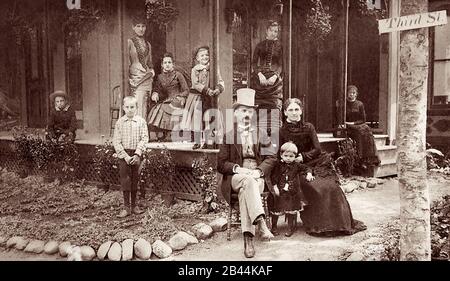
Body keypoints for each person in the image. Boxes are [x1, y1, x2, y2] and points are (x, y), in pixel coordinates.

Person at [279, 98, 366, 236]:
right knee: (314, 186)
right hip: (296, 167)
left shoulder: (309, 127)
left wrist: (304, 156)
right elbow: (280, 153)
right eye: (290, 110)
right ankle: (320, 226)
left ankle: (339, 224)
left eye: (297, 109)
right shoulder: (282, 131)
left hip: (314, 162)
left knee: (330, 186)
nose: (294, 113)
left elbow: (317, 149)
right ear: (285, 112)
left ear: (301, 111)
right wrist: (293, 160)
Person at [217, 88, 276, 259]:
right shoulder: (228, 135)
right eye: (243, 111)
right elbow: (220, 164)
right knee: (245, 182)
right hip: (237, 175)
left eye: (250, 111)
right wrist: (238, 169)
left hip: (256, 176)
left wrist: (259, 171)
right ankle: (261, 223)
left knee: (246, 189)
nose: (247, 114)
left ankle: (248, 239)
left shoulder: (261, 133)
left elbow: (271, 157)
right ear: (235, 113)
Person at [180, 46, 224, 148]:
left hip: (210, 98)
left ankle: (207, 141)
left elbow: (220, 80)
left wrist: (218, 88)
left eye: (207, 55)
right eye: (202, 55)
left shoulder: (213, 69)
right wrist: (207, 90)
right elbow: (195, 84)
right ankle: (197, 141)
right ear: (197, 58)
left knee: (209, 119)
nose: (205, 57)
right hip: (198, 97)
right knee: (197, 120)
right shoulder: (195, 69)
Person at [113, 96, 149, 218]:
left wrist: (137, 153)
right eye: (127, 107)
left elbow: (144, 138)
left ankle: (134, 206)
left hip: (136, 154)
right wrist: (125, 156)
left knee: (134, 179)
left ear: (137, 108)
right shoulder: (120, 123)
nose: (129, 110)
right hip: (124, 155)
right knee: (125, 180)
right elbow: (116, 141)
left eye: (132, 107)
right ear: (123, 108)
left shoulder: (141, 122)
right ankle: (126, 207)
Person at [269, 141, 312, 237]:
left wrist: (309, 173)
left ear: (295, 156)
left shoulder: (296, 165)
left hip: (291, 191)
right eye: (286, 155)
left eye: (291, 156)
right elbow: (274, 177)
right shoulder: (278, 165)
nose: (288, 158)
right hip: (280, 189)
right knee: (276, 207)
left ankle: (290, 227)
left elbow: (306, 168)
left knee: (291, 207)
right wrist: (275, 186)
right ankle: (274, 226)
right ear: (281, 155)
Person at [251, 20, 283, 138]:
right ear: (267, 30)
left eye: (277, 31)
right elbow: (254, 63)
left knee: (274, 106)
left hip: (274, 82)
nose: (275, 33)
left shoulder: (280, 46)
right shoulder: (259, 45)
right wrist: (260, 75)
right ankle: (260, 135)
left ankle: (273, 135)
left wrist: (275, 76)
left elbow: (281, 65)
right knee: (259, 108)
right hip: (260, 81)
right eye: (273, 31)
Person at [147, 53, 190, 141]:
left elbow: (186, 90)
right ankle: (164, 132)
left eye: (169, 62)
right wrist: (155, 93)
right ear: (162, 65)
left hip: (178, 98)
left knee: (172, 106)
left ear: (173, 64)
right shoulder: (160, 77)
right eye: (165, 62)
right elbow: (157, 89)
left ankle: (172, 133)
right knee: (159, 108)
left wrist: (180, 96)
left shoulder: (178, 75)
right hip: (167, 99)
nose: (167, 64)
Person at [345, 85, 381, 173]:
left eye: (354, 93)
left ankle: (368, 158)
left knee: (367, 130)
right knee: (360, 131)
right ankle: (360, 158)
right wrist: (347, 123)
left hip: (357, 124)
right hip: (347, 126)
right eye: (350, 93)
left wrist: (353, 123)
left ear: (356, 94)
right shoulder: (344, 104)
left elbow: (363, 119)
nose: (352, 95)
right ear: (347, 93)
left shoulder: (360, 104)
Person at [128, 15, 155, 119]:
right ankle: (137, 132)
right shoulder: (129, 42)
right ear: (133, 27)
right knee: (137, 106)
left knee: (145, 106)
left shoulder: (148, 44)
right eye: (138, 26)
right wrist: (130, 78)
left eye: (143, 26)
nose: (141, 29)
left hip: (147, 78)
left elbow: (150, 62)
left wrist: (152, 71)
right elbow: (126, 62)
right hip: (135, 78)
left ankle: (143, 131)